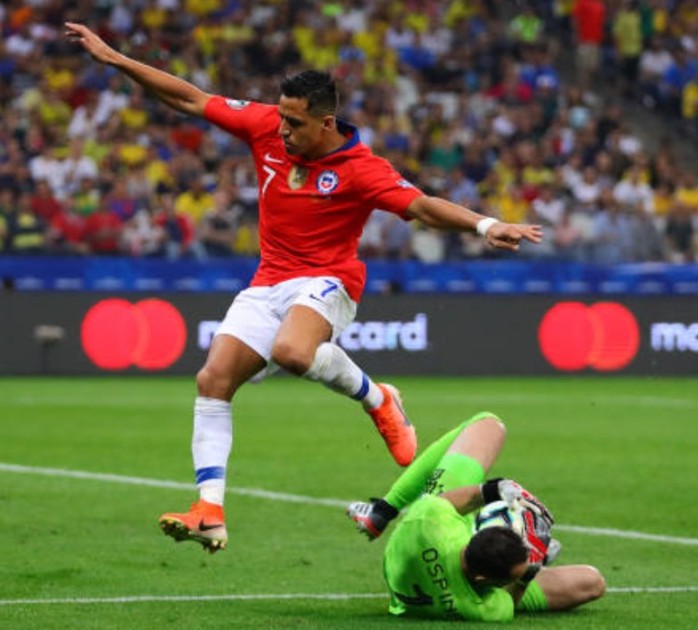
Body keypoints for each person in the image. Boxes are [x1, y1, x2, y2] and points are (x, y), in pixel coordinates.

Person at [65, 22, 543, 554]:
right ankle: (210, 511)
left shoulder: (362, 170)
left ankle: (379, 397)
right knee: (213, 379)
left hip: (328, 282)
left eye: (294, 122)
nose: (283, 130)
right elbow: (191, 98)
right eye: (281, 118)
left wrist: (484, 225)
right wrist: (116, 60)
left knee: (294, 352)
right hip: (268, 280)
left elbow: (423, 206)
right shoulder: (267, 126)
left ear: (326, 122)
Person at [347, 412, 605, 621]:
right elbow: (510, 601)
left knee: (488, 424)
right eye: (513, 576)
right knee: (593, 583)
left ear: (474, 535)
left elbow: (456, 500)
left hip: (413, 548)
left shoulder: (429, 523)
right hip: (448, 575)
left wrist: (495, 488)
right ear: (486, 581)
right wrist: (527, 575)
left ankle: (381, 511)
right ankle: (534, 558)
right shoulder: (481, 608)